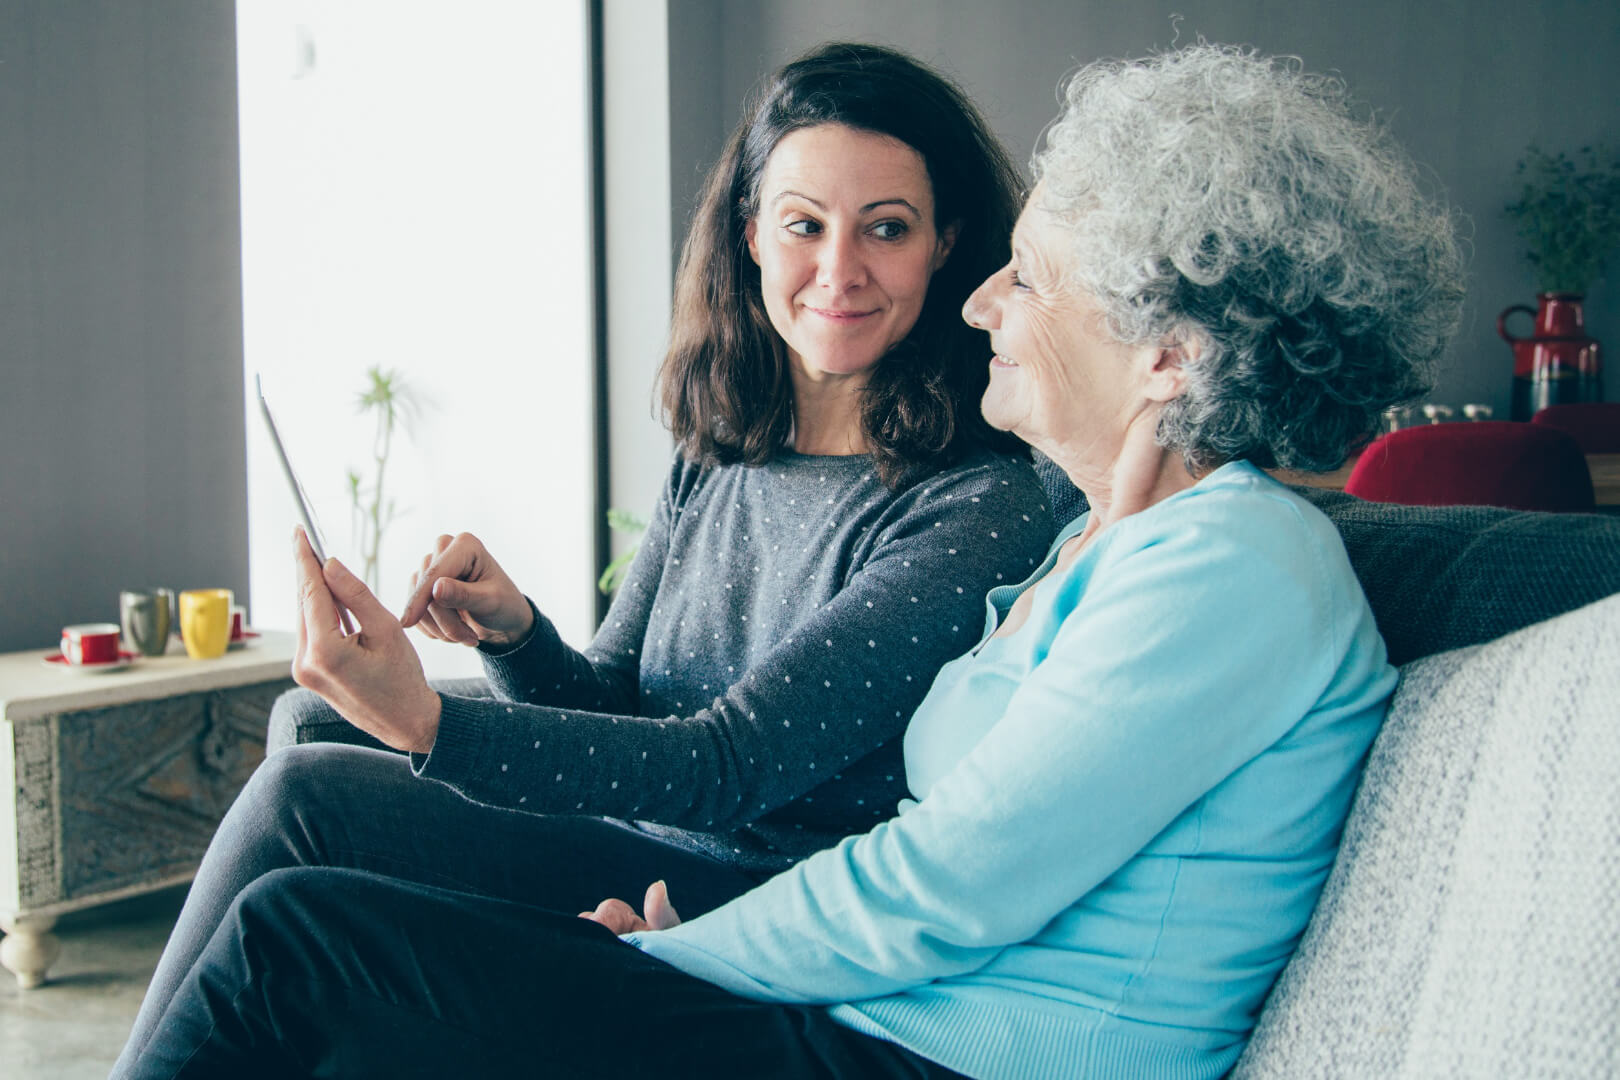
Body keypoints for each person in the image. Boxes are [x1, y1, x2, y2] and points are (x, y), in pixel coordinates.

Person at [116, 43, 1465, 1080]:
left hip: (938, 1049)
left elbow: (937, 880)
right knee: (315, 883)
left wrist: (687, 948)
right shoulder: (1105, 544)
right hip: (879, 1003)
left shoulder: (1229, 572)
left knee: (304, 932)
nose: (983, 297)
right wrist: (519, 644)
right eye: (805, 224)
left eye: (1029, 277)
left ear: (1169, 355)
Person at [111, 41, 1056, 1073]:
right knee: (306, 723)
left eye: (887, 228)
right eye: (803, 225)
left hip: (753, 891)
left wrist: (429, 721)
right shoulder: (726, 444)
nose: (840, 270)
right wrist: (519, 636)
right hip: (646, 830)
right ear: (750, 236)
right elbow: (616, 697)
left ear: (945, 243)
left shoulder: (970, 502)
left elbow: (723, 768)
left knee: (306, 805)